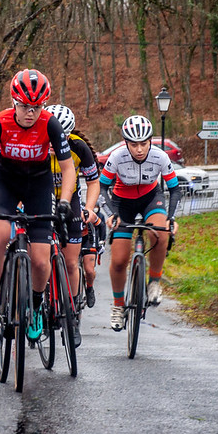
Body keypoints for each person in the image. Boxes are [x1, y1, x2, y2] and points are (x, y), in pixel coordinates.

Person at [0, 68, 76, 340]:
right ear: (13, 102)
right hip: (5, 181)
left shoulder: (50, 123)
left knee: (42, 261)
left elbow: (68, 169)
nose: (30, 112)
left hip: (38, 185)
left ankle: (35, 304)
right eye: (24, 106)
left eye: (37, 107)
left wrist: (64, 201)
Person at [100, 115, 182, 330]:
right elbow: (101, 187)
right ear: (126, 142)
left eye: (143, 144)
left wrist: (171, 217)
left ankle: (154, 282)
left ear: (150, 141)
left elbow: (174, 188)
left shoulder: (160, 156)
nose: (139, 149)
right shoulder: (116, 157)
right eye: (133, 144)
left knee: (160, 232)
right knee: (118, 261)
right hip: (122, 202)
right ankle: (118, 306)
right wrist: (111, 213)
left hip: (150, 198)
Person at [45, 104, 101, 347]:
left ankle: (72, 318)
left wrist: (89, 207)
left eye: (62, 138)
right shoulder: (35, 143)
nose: (55, 143)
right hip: (42, 198)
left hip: (72, 202)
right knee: (40, 257)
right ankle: (41, 302)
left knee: (70, 263)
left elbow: (93, 181)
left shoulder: (78, 146)